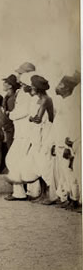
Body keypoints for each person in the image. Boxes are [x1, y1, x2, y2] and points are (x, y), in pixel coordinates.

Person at [4, 63, 40, 201]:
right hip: (21, 132)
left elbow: (24, 111)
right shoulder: (23, 91)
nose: (18, 75)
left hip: (25, 132)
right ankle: (27, 192)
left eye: (20, 73)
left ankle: (21, 192)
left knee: (15, 160)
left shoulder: (27, 93)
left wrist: (10, 115)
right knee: (21, 161)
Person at [48, 72, 81, 207]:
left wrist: (70, 146)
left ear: (67, 88)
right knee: (65, 174)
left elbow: (74, 126)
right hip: (60, 143)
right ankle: (69, 198)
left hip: (68, 144)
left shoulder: (72, 104)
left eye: (61, 84)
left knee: (72, 173)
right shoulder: (64, 102)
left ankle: (75, 200)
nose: (57, 86)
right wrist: (55, 144)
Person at [2, 74, 20, 153]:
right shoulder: (8, 97)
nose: (3, 83)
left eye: (6, 82)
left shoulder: (11, 99)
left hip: (11, 128)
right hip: (8, 127)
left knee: (11, 149)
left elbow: (12, 115)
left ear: (10, 86)